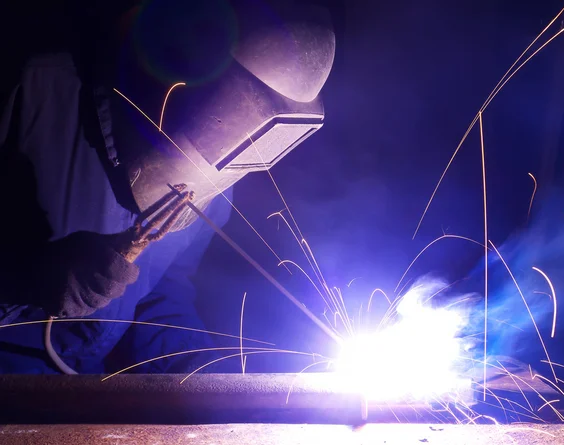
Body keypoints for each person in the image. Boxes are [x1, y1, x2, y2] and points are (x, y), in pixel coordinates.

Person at [0, 0, 335, 374]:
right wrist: (41, 281)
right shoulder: (32, 92)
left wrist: (207, 380)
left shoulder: (215, 168)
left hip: (78, 393)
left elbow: (159, 294)